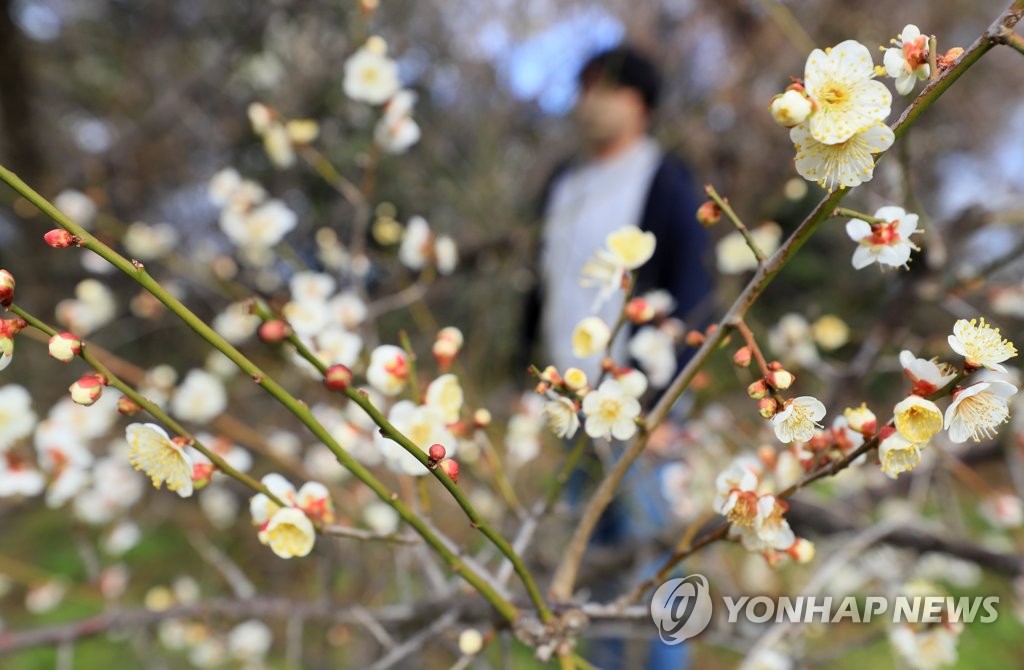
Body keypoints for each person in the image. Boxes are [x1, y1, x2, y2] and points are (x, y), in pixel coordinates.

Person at [520, 45, 714, 669]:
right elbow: (542, 284)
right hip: (571, 400)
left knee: (654, 551)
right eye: (582, 88)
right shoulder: (564, 183)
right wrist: (526, 372)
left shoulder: (664, 178)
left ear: (639, 103)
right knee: (592, 554)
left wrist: (662, 404)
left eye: (601, 88)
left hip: (643, 406)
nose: (587, 102)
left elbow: (694, 295)